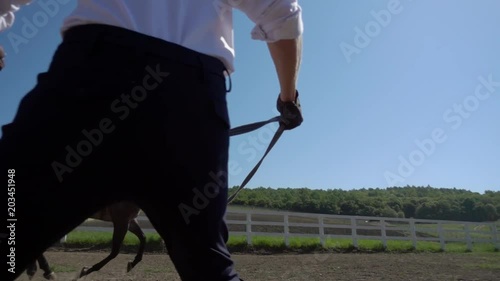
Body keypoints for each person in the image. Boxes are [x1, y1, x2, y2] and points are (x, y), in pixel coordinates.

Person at [0, 1, 304, 280]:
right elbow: (281, 12)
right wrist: (288, 99)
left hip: (88, 79)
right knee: (210, 267)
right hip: (188, 98)